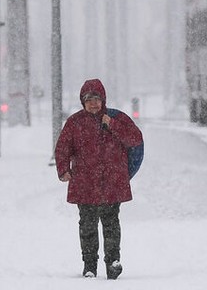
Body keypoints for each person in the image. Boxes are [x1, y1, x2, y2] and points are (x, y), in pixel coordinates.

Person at [55, 78, 144, 279]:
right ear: (82, 101)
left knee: (111, 225)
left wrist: (112, 125)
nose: (93, 103)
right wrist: (63, 169)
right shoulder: (74, 123)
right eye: (89, 99)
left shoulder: (116, 119)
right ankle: (89, 265)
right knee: (87, 227)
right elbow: (62, 148)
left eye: (97, 99)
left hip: (112, 184)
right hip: (85, 185)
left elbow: (135, 139)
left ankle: (113, 262)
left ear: (103, 100)